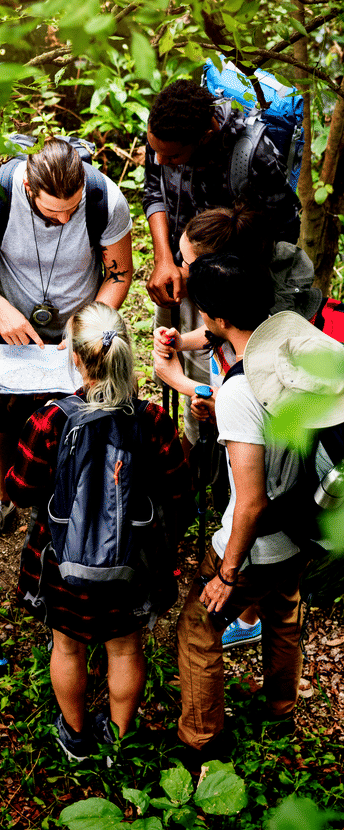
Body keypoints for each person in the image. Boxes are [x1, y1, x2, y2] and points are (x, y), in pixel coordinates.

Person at [4, 303, 192, 762]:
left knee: (67, 646)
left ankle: (75, 736)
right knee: (125, 648)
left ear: (75, 358)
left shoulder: (50, 420)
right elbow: (180, 494)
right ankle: (119, 741)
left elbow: (20, 491)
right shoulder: (152, 421)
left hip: (62, 562)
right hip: (132, 566)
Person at [0, 138, 133, 548]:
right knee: (2, 411)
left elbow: (119, 274)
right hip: (10, 325)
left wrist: (84, 323)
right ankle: (1, 498)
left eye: (73, 207)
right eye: (54, 211)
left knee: (87, 411)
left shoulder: (106, 198)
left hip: (81, 328)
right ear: (27, 190)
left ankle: (79, 498)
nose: (66, 217)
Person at [177, 252, 309, 768]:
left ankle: (201, 738)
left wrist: (228, 574)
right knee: (284, 609)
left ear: (217, 319)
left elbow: (250, 501)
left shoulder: (239, 389)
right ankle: (281, 706)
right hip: (306, 522)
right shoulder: (297, 347)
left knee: (200, 626)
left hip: (258, 541)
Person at [144, 79, 300, 452]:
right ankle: (198, 452)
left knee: (228, 377)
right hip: (179, 271)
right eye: (155, 152)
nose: (160, 161)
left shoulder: (251, 153)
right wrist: (167, 259)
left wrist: (206, 272)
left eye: (172, 157)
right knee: (189, 366)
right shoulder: (164, 136)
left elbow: (282, 231)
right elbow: (154, 191)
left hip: (231, 292)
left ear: (206, 134)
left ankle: (232, 456)